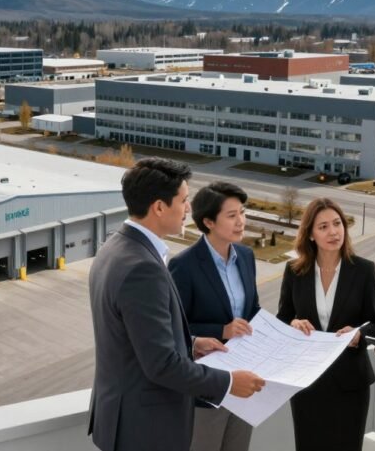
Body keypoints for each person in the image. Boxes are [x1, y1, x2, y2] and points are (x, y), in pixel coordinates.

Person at [88, 158, 265, 451]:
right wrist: (229, 383)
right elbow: (161, 365)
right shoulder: (142, 267)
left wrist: (191, 343)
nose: (188, 209)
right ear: (159, 207)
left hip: (126, 418)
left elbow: (137, 338)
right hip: (145, 428)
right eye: (183, 200)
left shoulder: (114, 247)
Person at [277, 197, 375, 451]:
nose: (333, 232)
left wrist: (358, 335)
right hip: (307, 380)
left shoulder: (364, 270)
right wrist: (293, 323)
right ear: (310, 234)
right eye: (323, 226)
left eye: (337, 223)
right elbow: (283, 318)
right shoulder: (295, 271)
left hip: (350, 382)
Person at [169, 182, 260, 451]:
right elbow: (175, 328)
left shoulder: (246, 255)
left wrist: (283, 328)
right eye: (232, 216)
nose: (241, 221)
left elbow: (252, 311)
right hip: (206, 385)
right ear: (208, 221)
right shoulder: (183, 265)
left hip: (243, 382)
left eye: (242, 213)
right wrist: (222, 330)